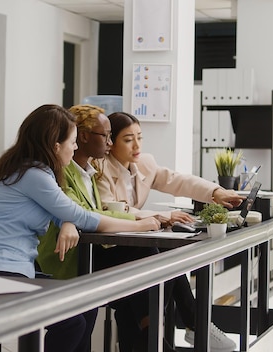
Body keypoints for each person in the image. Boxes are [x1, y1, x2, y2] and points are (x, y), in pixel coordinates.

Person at [0, 104, 160, 352]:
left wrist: (67, 221)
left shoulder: (30, 170)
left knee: (85, 305)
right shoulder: (33, 174)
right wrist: (140, 225)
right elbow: (82, 215)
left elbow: (66, 212)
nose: (76, 147)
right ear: (56, 146)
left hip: (16, 269)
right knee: (72, 321)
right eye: (73, 142)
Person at [94, 111, 244, 352]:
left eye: (140, 137)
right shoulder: (99, 168)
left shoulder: (144, 163)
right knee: (156, 256)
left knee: (164, 255)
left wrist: (216, 192)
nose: (137, 145)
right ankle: (190, 325)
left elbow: (177, 180)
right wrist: (161, 217)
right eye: (128, 139)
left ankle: (162, 336)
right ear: (110, 142)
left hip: (132, 248)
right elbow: (115, 209)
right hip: (105, 249)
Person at [37, 104, 135, 280]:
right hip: (67, 259)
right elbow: (81, 213)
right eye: (105, 136)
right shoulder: (60, 172)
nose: (110, 143)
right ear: (82, 136)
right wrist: (137, 220)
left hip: (88, 253)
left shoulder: (89, 173)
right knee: (146, 256)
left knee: (160, 257)